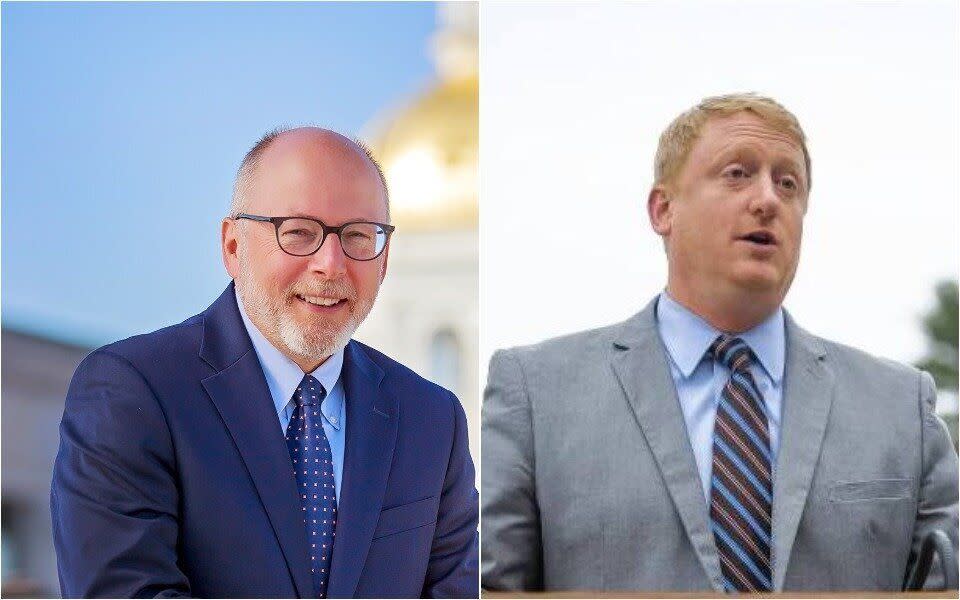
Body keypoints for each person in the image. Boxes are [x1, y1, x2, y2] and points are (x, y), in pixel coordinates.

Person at [481, 93, 958, 592]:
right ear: (664, 209)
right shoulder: (537, 396)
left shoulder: (902, 408)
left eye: (788, 183)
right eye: (737, 174)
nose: (768, 199)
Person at [51, 127, 479, 598]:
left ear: (384, 258)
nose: (330, 264)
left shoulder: (432, 421)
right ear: (233, 246)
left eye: (358, 236)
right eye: (298, 233)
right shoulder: (134, 393)